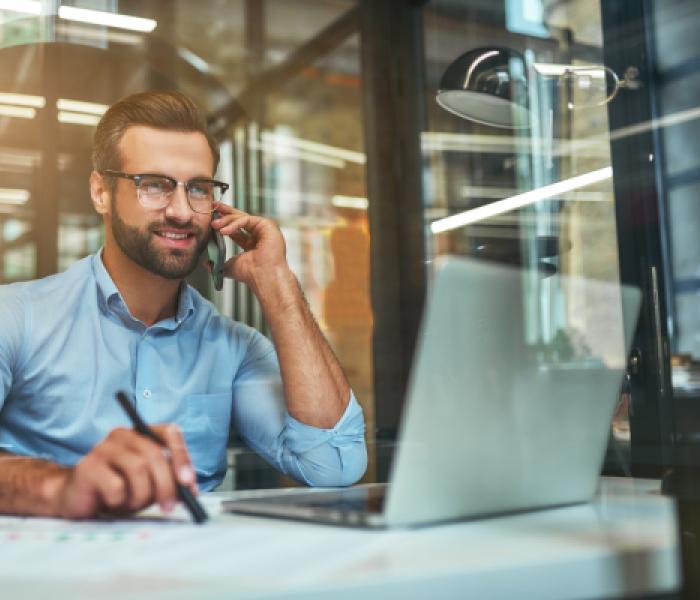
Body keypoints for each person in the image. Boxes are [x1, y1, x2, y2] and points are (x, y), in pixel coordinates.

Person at [0, 91, 367, 519]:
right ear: (101, 192)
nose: (180, 211)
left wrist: (278, 282)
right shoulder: (17, 317)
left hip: (189, 576)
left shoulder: (234, 348)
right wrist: (61, 487)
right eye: (154, 185)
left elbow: (334, 466)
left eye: (198, 189)